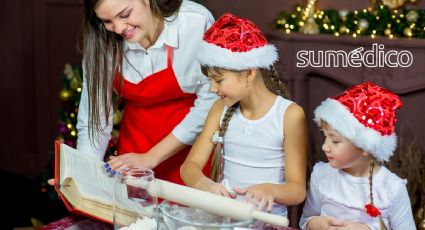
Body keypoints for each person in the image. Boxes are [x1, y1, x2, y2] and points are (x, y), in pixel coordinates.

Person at [76, 0, 217, 185]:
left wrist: (152, 157)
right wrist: (83, 177)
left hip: (193, 153)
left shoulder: (194, 22)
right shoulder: (101, 40)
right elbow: (93, 121)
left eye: (125, 14)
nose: (118, 28)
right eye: (107, 21)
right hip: (134, 148)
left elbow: (211, 103)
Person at [180, 13, 308, 216]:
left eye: (219, 80)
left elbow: (297, 190)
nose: (212, 89)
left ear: (249, 73)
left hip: (266, 222)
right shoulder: (219, 110)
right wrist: (201, 182)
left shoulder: (289, 115)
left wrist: (270, 190)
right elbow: (189, 166)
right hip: (226, 219)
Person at [300, 82, 416, 230]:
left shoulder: (392, 189)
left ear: (365, 145)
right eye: (325, 137)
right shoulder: (321, 175)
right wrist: (315, 223)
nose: (325, 147)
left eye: (335, 141)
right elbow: (305, 220)